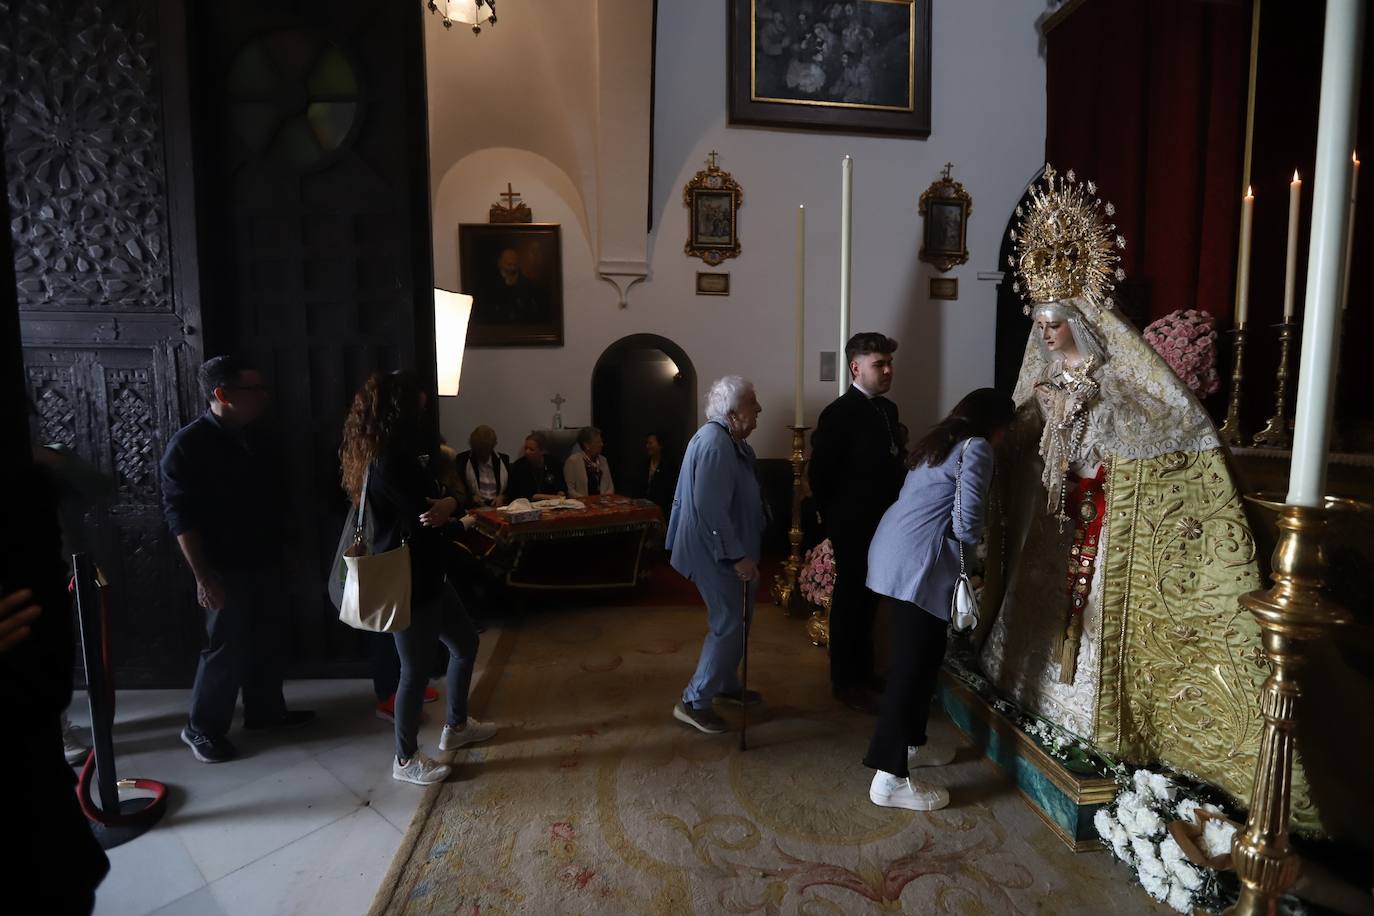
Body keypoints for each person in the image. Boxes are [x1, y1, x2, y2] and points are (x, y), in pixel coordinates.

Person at [977, 165, 1280, 817]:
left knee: (1089, 614)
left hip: (1100, 514)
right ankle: (1028, 688)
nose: (1046, 333)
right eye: (1040, 321)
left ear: (1080, 320)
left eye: (1055, 322)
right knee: (1046, 607)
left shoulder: (1115, 375)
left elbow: (1164, 418)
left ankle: (1092, 715)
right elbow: (1027, 433)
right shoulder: (1044, 381)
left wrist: (1095, 419)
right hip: (1054, 520)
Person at [339, 370, 497, 786]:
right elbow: (424, 513)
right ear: (401, 407)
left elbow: (440, 499)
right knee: (415, 671)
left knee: (465, 643)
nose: (425, 406)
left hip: (428, 572)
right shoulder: (388, 457)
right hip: (406, 577)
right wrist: (454, 513)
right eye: (419, 401)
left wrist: (447, 502)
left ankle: (457, 728)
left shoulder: (403, 450)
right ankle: (405, 758)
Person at [863, 389, 1013, 812]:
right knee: (910, 669)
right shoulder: (977, 447)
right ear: (996, 425)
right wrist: (980, 553)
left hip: (896, 550)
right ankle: (888, 779)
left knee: (923, 658)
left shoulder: (940, 441)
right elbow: (966, 523)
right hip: (921, 564)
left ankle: (910, 746)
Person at [160, 356, 314, 764]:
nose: (263, 397)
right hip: (223, 564)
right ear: (223, 394)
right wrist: (203, 577)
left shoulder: (257, 437)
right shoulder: (188, 445)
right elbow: (181, 518)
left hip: (264, 556)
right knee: (226, 646)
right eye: (253, 390)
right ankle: (202, 727)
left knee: (267, 637)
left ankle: (265, 712)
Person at [809, 332, 904, 714]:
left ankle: (864, 672)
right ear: (855, 367)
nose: (887, 370)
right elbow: (821, 475)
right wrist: (837, 522)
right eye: (879, 364)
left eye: (889, 363)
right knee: (850, 602)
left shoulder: (888, 409)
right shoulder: (839, 413)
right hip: (852, 525)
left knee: (870, 600)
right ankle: (845, 680)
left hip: (884, 523)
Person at [667, 377, 768, 735]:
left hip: (730, 550)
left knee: (738, 620)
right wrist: (737, 556)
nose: (759, 409)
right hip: (717, 553)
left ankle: (724, 682)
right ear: (731, 413)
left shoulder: (729, 441)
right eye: (752, 404)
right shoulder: (715, 443)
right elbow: (710, 510)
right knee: (728, 624)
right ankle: (695, 700)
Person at [452, 425, 511, 509]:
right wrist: (471, 498)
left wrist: (503, 497)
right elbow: (457, 488)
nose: (483, 453)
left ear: (493, 446)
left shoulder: (504, 460)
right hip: (474, 508)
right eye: (480, 450)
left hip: (498, 507)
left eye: (487, 449)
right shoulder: (462, 460)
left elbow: (511, 488)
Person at [507, 430, 566, 501]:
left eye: (531, 449)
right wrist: (549, 497)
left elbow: (562, 486)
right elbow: (519, 494)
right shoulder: (519, 466)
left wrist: (560, 494)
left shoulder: (553, 463)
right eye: (526, 448)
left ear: (542, 451)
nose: (527, 452)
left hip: (552, 504)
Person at [563, 426, 614, 497]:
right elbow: (569, 490)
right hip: (582, 504)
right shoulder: (573, 461)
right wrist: (587, 501)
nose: (602, 444)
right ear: (586, 445)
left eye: (601, 441)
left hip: (603, 503)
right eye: (598, 442)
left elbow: (610, 487)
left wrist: (604, 499)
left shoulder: (603, 460)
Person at [636, 432, 677, 520]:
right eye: (647, 443)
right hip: (644, 511)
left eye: (650, 443)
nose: (648, 446)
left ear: (660, 445)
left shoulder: (668, 466)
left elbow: (669, 491)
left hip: (661, 511)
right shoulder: (644, 464)